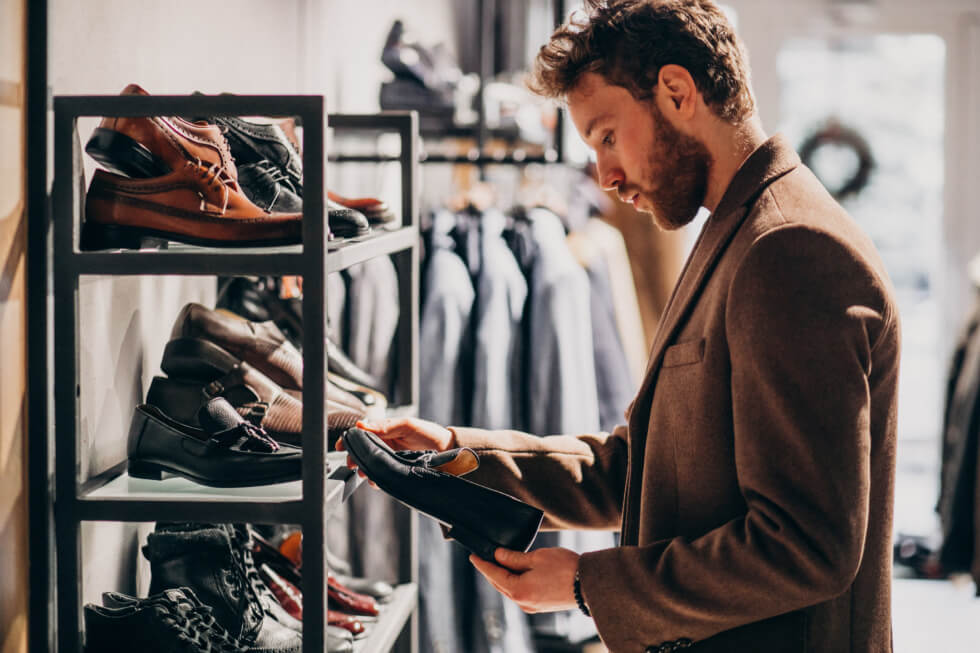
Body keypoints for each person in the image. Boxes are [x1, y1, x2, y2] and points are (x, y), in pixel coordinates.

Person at [341, 1, 900, 651]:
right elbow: (634, 467)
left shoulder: (790, 247)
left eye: (607, 135)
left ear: (676, 91)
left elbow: (808, 545)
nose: (604, 177)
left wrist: (586, 584)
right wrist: (453, 452)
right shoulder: (737, 232)